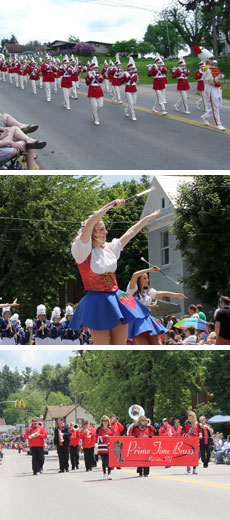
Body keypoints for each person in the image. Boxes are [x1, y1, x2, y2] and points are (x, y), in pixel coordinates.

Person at [69, 200, 161, 345]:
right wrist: (110, 205)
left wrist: (148, 218)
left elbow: (130, 232)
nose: (106, 232)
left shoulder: (110, 248)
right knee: (104, 347)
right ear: (91, 232)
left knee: (120, 346)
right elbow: (91, 221)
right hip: (96, 301)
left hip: (117, 299)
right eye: (101, 229)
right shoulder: (82, 251)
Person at [126, 267, 186, 345]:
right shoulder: (132, 290)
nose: (147, 280)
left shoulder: (148, 292)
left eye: (147, 278)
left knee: (158, 344)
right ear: (139, 280)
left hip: (148, 320)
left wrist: (177, 295)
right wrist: (150, 270)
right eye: (144, 278)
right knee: (144, 345)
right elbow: (134, 275)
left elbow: (165, 293)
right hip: (137, 321)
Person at [193, 46, 226, 130]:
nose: (212, 60)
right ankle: (218, 123)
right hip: (211, 89)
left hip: (218, 88)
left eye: (212, 58)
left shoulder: (214, 67)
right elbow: (209, 81)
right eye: (211, 59)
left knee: (218, 106)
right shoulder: (206, 69)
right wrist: (218, 78)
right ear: (207, 60)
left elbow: (217, 79)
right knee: (215, 107)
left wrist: (220, 79)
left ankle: (205, 116)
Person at [85, 56, 104, 125]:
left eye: (97, 68)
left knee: (101, 105)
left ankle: (94, 113)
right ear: (92, 68)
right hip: (92, 90)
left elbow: (101, 81)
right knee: (94, 105)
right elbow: (87, 83)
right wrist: (91, 78)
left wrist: (98, 77)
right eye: (95, 68)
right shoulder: (89, 74)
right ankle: (96, 118)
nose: (96, 69)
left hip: (99, 90)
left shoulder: (99, 74)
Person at [123, 57, 138, 121]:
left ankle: (126, 109)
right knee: (131, 103)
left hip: (134, 88)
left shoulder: (135, 74)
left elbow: (135, 80)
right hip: (128, 89)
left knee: (134, 102)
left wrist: (131, 76)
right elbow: (123, 81)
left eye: (133, 68)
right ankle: (133, 115)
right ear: (129, 68)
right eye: (131, 68)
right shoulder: (125, 73)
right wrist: (126, 77)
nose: (133, 69)